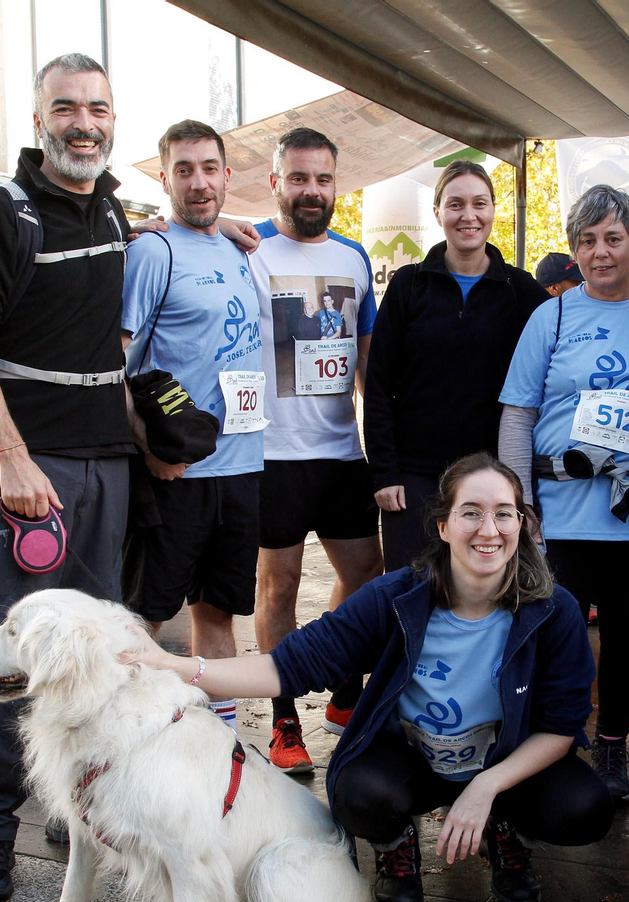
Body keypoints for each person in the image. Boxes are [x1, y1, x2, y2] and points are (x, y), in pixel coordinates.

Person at [122, 453, 614, 902]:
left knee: (584, 807)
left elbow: (560, 729)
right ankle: (395, 846)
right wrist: (174, 664)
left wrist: (488, 785)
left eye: (504, 514)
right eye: (471, 512)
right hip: (412, 761)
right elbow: (287, 667)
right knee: (360, 793)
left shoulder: (553, 610)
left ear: (522, 525)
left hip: (503, 764)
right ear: (443, 526)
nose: (489, 529)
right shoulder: (395, 597)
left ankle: (509, 830)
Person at [0, 53, 136, 902]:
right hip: (25, 470)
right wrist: (12, 457)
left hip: (105, 463)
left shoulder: (117, 212)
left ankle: (73, 807)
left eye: (97, 108)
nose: (82, 123)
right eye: (66, 107)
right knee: (10, 653)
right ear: (38, 121)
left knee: (89, 654)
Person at [498, 184, 629, 803]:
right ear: (574, 248)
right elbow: (518, 414)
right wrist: (521, 506)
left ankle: (612, 744)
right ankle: (556, 741)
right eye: (588, 240)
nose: (601, 252)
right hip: (563, 510)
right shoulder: (551, 316)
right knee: (558, 631)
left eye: (614, 239)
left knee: (626, 634)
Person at [120, 120, 265, 736]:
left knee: (218, 616)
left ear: (227, 176)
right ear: (164, 179)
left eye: (209, 169)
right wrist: (148, 448)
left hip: (243, 466)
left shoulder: (239, 248)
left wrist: (227, 226)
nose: (199, 182)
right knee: (142, 621)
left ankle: (220, 745)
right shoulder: (153, 252)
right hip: (177, 473)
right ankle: (117, 746)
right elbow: (111, 365)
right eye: (184, 170)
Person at [246, 126, 383, 767]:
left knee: (365, 573)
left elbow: (366, 358)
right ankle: (284, 721)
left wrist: (379, 444)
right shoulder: (249, 248)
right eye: (298, 178)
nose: (311, 190)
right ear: (276, 182)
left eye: (322, 179)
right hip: (274, 454)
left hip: (341, 452)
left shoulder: (354, 257)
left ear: (336, 185)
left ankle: (344, 689)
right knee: (279, 588)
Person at [364, 161, 551, 573]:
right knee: (411, 591)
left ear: (493, 209)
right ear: (438, 213)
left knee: (482, 591)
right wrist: (385, 473)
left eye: (479, 204)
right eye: (456, 204)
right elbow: (378, 385)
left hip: (491, 479)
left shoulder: (520, 291)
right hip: (413, 479)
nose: (469, 215)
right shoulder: (409, 285)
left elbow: (578, 316)